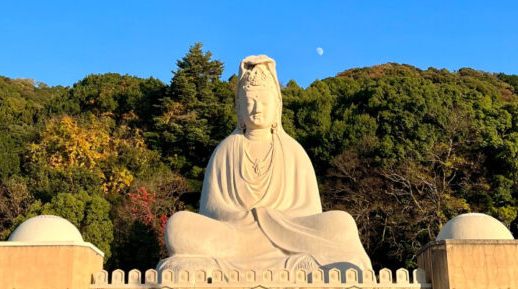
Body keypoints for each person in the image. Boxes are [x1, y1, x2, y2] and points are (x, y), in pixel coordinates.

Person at [157, 55, 371, 273]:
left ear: (277, 105)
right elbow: (211, 210)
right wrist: (249, 219)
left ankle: (219, 268)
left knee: (341, 223)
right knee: (179, 225)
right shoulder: (226, 149)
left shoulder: (293, 151)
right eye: (250, 102)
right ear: (239, 107)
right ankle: (299, 266)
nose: (257, 109)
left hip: (290, 236)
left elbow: (310, 212)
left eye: (264, 102)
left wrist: (272, 219)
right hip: (235, 237)